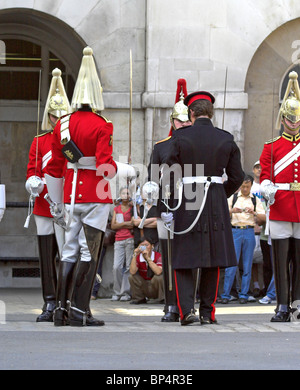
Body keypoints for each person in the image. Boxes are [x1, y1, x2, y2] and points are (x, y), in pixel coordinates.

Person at [44, 47, 135, 327]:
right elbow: (105, 167)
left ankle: (60, 309)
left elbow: (54, 168)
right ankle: (80, 311)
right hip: (95, 196)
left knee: (68, 251)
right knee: (88, 252)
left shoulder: (63, 125)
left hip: (70, 195)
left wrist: (57, 204)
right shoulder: (102, 125)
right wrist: (127, 170)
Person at [162, 90, 244, 325]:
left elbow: (167, 172)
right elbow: (237, 176)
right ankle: (208, 313)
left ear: (191, 113)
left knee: (185, 256)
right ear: (211, 113)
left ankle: (187, 311)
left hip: (189, 197)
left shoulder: (181, 136)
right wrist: (218, 193)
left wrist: (171, 201)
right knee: (213, 257)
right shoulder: (226, 137)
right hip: (216, 199)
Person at [25, 68, 71, 322]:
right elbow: (32, 169)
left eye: (61, 116)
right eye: (54, 116)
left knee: (67, 253)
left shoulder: (71, 140)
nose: (57, 120)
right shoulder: (39, 141)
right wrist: (34, 182)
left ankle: (65, 299)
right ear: (49, 117)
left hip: (66, 203)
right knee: (46, 254)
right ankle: (49, 301)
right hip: (44, 203)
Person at [148, 78, 191, 322]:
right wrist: (157, 208)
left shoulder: (196, 143)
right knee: (168, 255)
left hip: (190, 205)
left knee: (187, 255)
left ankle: (186, 304)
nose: (183, 124)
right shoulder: (160, 146)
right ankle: (170, 304)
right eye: (179, 120)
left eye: (187, 120)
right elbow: (152, 179)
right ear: (172, 121)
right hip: (167, 204)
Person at [260, 71, 300, 322]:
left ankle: (297, 302)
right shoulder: (271, 146)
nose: (293, 123)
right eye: (289, 119)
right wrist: (266, 187)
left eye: (296, 119)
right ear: (283, 118)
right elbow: (265, 175)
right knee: (280, 261)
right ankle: (282, 305)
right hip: (280, 206)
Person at [221, 175, 265, 304]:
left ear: (251, 186)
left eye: (247, 186)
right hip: (235, 230)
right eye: (243, 186)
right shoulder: (233, 198)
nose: (245, 189)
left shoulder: (255, 200)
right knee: (231, 265)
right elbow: (223, 212)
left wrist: (254, 213)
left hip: (249, 230)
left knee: (247, 264)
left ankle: (244, 294)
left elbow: (263, 218)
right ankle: (226, 294)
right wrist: (232, 211)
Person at [111, 186, 135, 301]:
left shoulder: (133, 208)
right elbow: (113, 225)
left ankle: (125, 292)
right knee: (116, 267)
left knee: (128, 267)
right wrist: (126, 224)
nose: (126, 195)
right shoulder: (116, 209)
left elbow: (133, 224)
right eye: (124, 193)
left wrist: (123, 224)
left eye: (128, 193)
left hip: (130, 239)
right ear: (120, 195)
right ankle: (117, 292)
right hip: (118, 240)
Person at [129, 237, 164, 304]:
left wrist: (148, 258)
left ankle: (162, 298)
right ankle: (139, 298)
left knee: (159, 277)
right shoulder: (138, 257)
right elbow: (132, 272)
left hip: (155, 285)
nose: (144, 248)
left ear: (152, 246)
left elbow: (158, 272)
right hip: (144, 284)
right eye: (142, 246)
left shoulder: (158, 256)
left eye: (147, 245)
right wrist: (134, 255)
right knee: (132, 277)